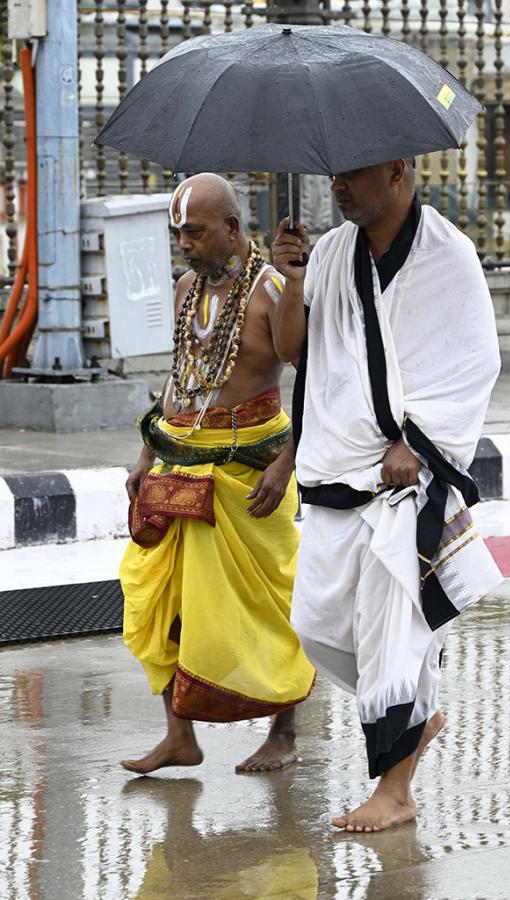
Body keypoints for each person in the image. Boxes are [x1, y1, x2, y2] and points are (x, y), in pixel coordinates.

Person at [271, 159, 502, 832]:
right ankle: (414, 718)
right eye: (334, 175)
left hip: (408, 475)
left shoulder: (447, 256)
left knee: (393, 630)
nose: (337, 187)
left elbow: (469, 362)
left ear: (397, 172)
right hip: (337, 466)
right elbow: (297, 351)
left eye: (352, 175)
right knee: (317, 623)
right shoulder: (334, 252)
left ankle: (393, 790)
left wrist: (415, 441)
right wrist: (291, 281)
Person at [119, 173, 315, 776]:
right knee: (158, 594)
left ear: (232, 229)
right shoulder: (185, 289)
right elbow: (181, 378)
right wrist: (148, 450)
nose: (185, 244)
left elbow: (308, 371)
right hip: (182, 459)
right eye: (179, 233)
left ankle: (283, 733)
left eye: (196, 232)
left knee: (272, 607)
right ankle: (179, 735)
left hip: (252, 472)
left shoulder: (271, 290)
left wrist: (287, 463)